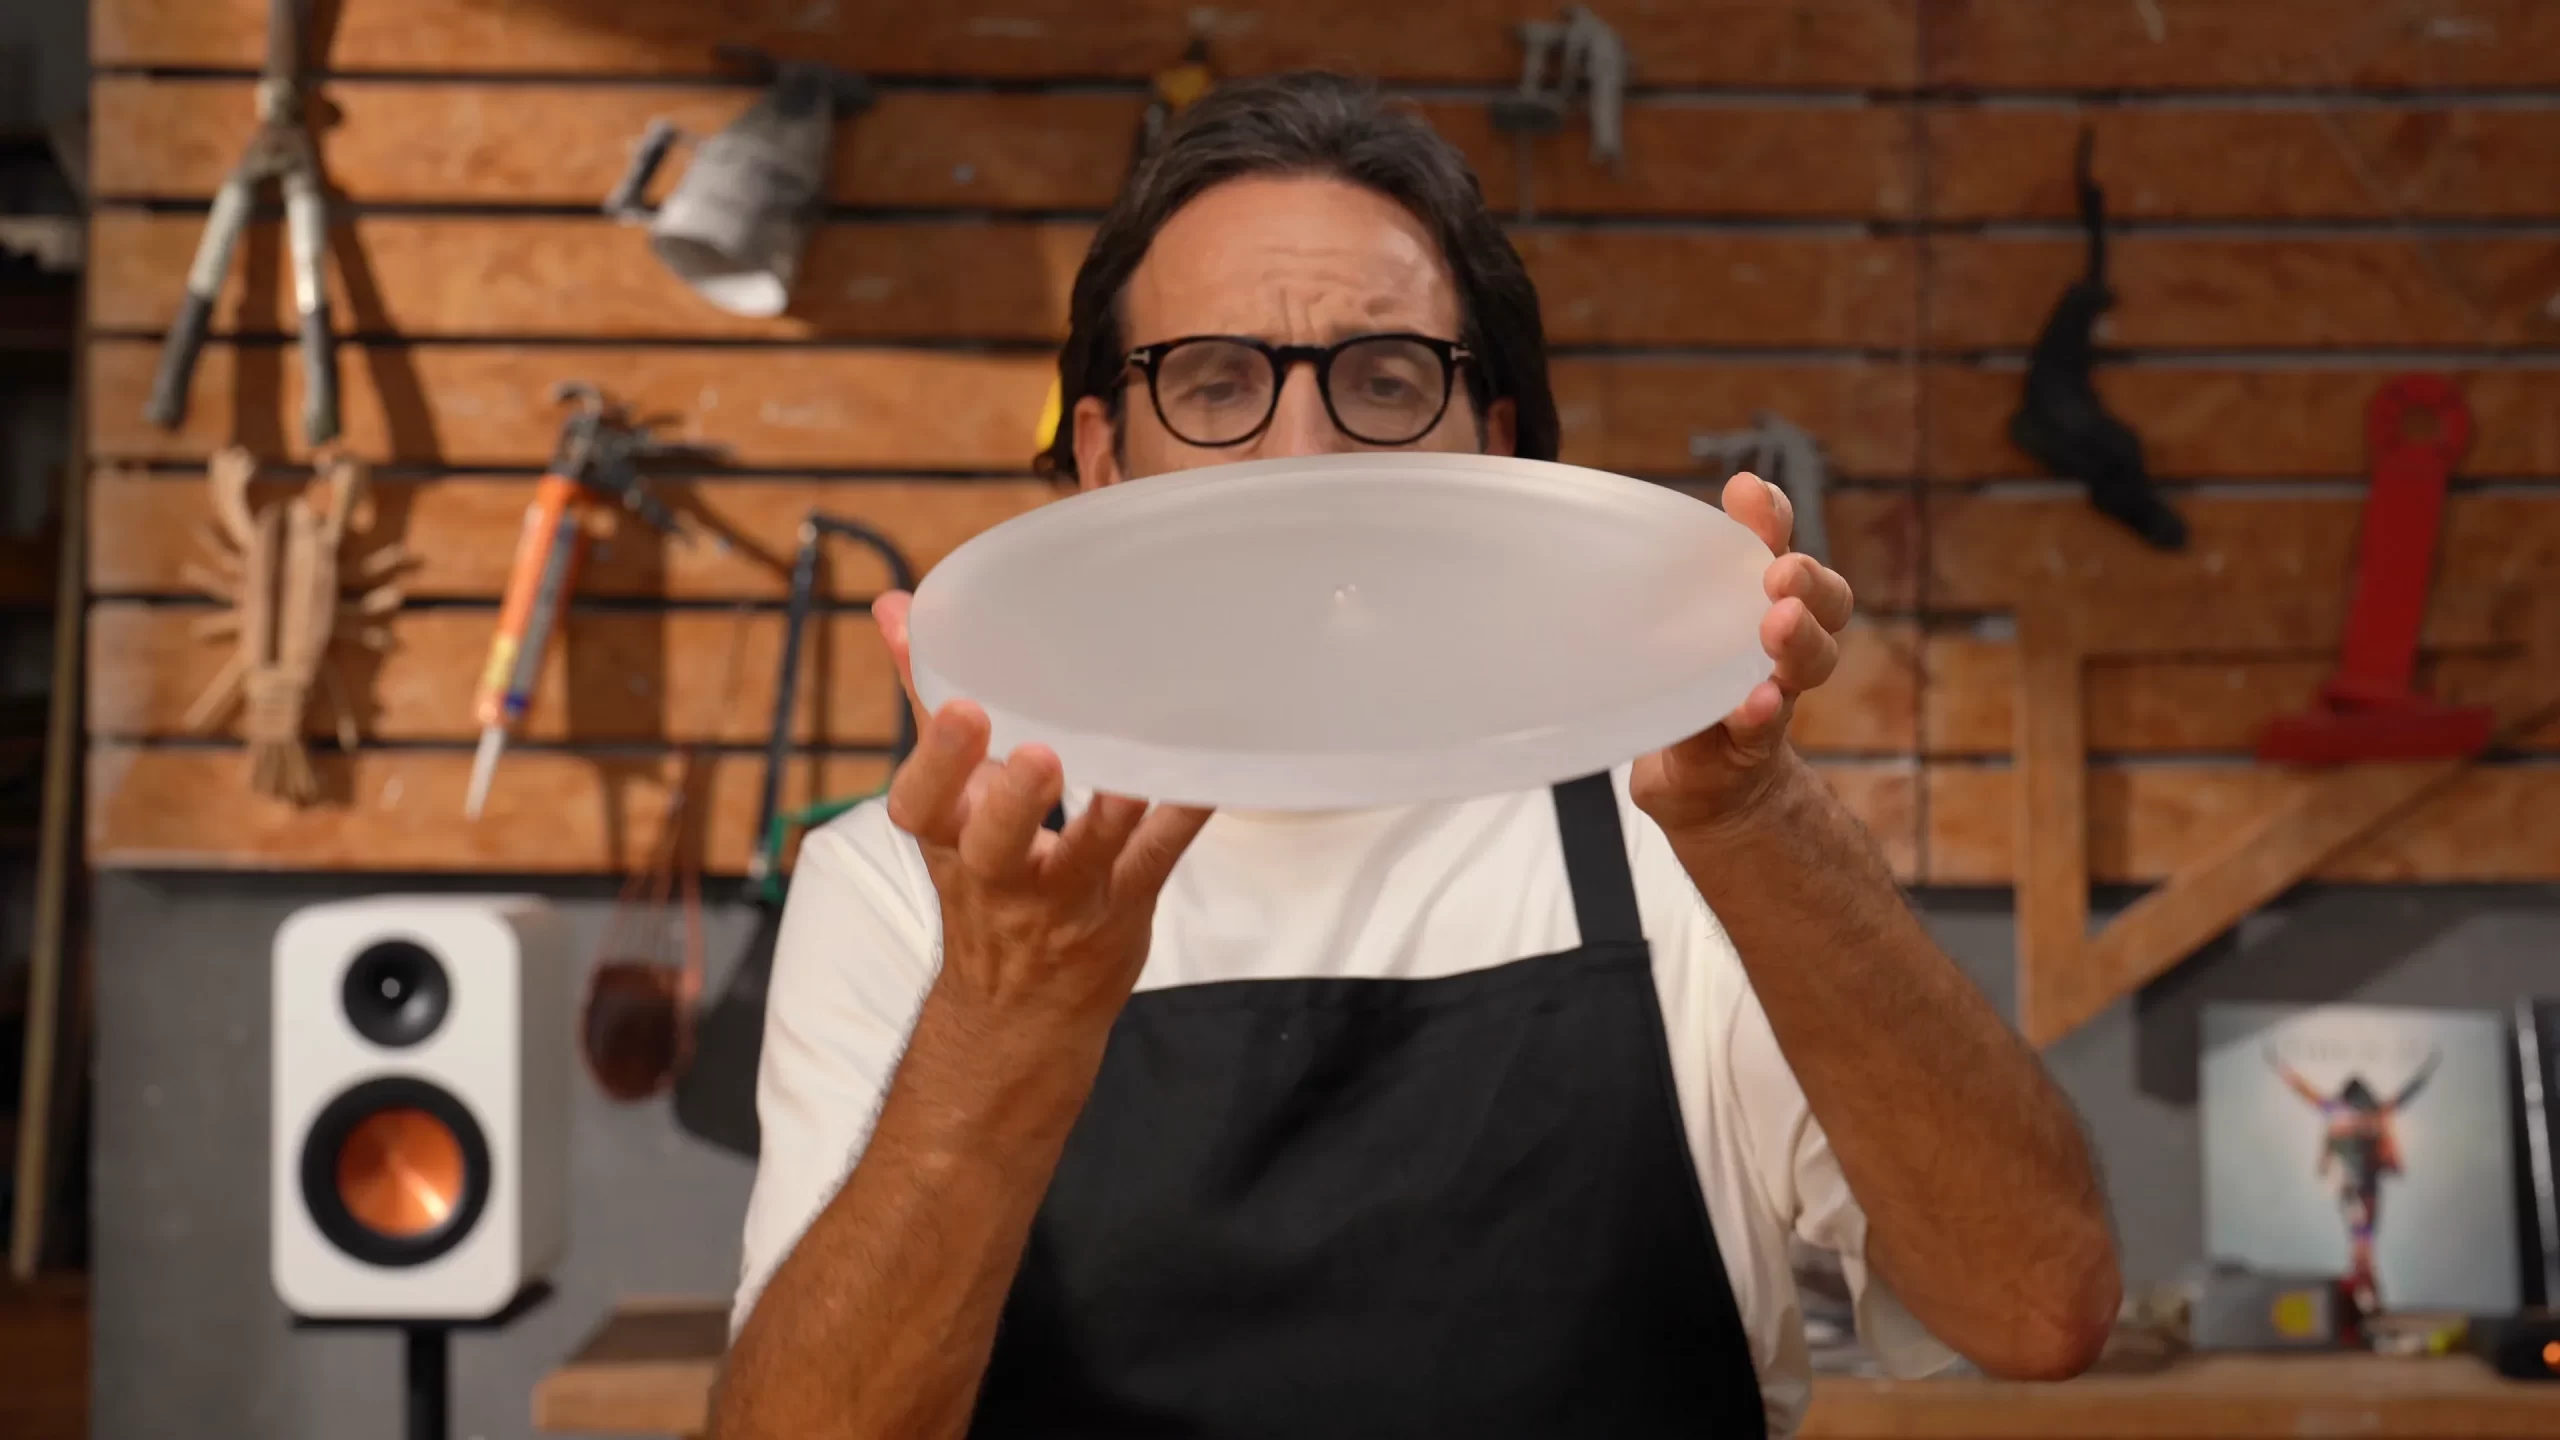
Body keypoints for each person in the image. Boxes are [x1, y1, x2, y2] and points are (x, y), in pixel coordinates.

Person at [716, 72, 2120, 1440]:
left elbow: (2036, 1308)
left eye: (1384, 380)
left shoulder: (1682, 841)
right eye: (1214, 382)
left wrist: (1761, 823)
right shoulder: (917, 892)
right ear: (1103, 455)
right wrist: (1001, 1021)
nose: (1303, 452)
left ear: (1489, 443)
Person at [2270, 1047, 2440, 1316]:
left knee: (2363, 1240)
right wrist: (2283, 1070)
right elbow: (2306, 1091)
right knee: (2362, 1240)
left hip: (2364, 1185)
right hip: (2349, 1185)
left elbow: (2404, 1096)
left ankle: (2364, 1293)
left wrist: (2425, 1073)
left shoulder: (2359, 1112)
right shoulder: (2352, 1112)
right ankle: (2364, 1293)